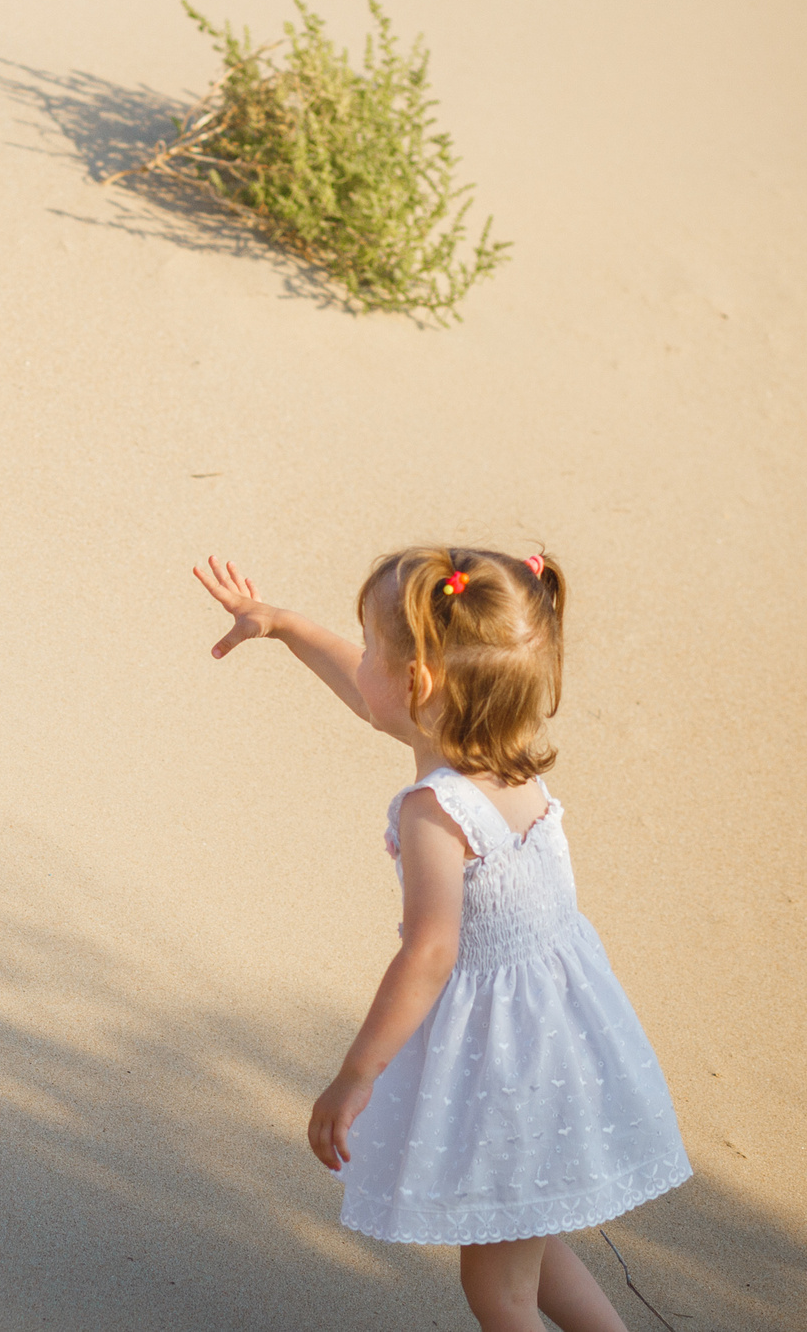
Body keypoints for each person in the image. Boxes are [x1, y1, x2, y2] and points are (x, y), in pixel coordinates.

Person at [194, 548, 690, 1332]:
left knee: (500, 1294)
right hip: (558, 1038)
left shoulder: (436, 810)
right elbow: (373, 697)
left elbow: (430, 952)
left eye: (371, 647)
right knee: (526, 1240)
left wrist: (356, 1075)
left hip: (504, 1064)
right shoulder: (508, 762)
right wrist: (283, 625)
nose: (360, 661)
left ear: (417, 684)